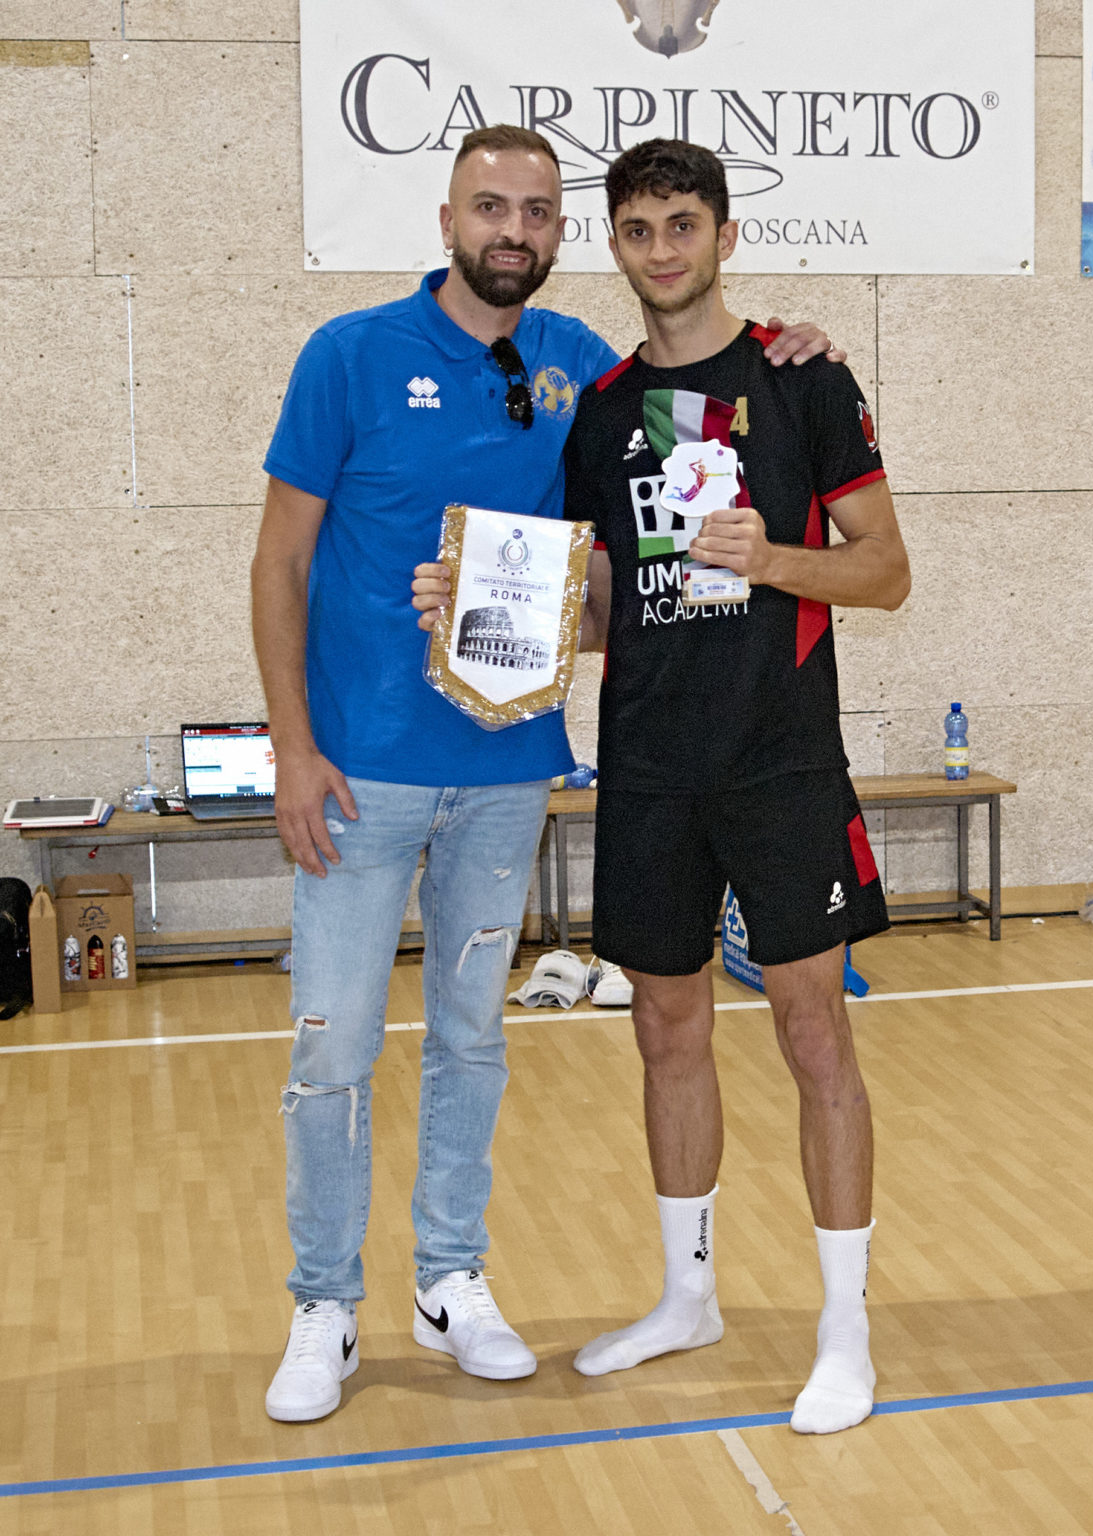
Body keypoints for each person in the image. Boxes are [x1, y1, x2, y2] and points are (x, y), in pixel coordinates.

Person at [253, 122, 840, 1423]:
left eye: (534, 211)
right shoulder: (348, 355)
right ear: (448, 219)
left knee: (472, 1038)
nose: (511, 229)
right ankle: (324, 1302)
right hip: (357, 777)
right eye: (489, 207)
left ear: (560, 234)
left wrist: (799, 349)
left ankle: (449, 1278)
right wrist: (293, 747)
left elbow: (643, 523)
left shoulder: (585, 371)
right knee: (333, 1043)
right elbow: (279, 559)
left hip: (510, 769)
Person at [561, 139, 911, 1435]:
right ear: (614, 245)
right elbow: (609, 609)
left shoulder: (802, 378)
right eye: (638, 229)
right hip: (651, 768)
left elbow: (885, 572)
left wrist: (774, 559)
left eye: (682, 224)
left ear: (724, 234)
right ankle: (687, 1299)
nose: (662, 249)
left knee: (815, 1036)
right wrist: (486, 618)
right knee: (666, 1032)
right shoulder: (603, 413)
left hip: (781, 759)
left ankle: (844, 1331)